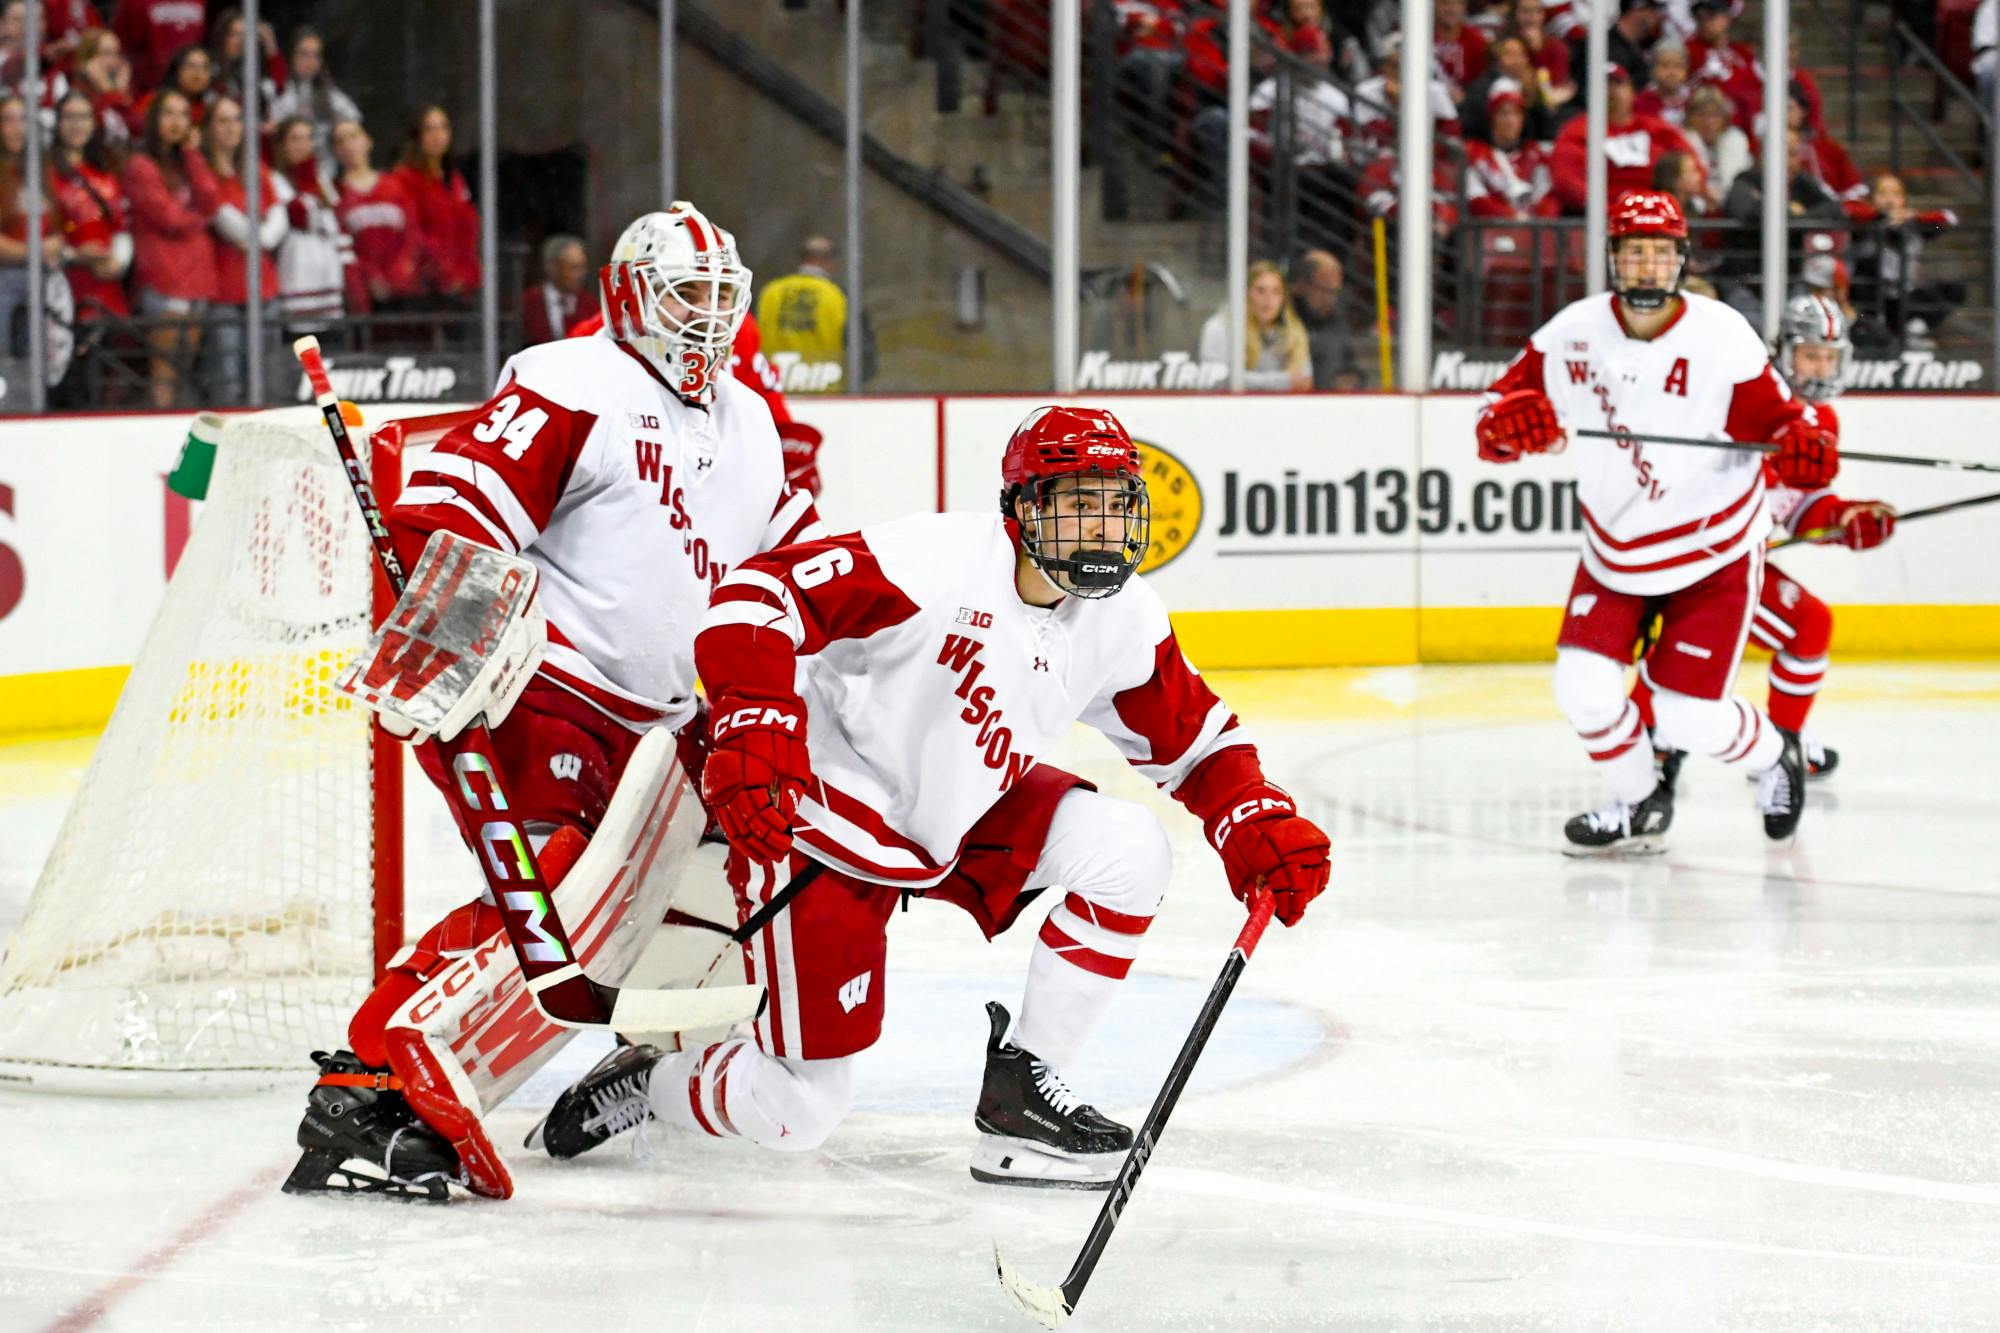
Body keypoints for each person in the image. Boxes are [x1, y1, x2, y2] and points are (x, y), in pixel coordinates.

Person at [533, 405, 1332, 1186]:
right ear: (1021, 511)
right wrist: (755, 716)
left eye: (1116, 504)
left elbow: (1194, 741)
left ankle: (1023, 1097)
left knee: (1132, 852)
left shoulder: (1122, 617)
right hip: (819, 819)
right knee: (798, 1110)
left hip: (955, 810)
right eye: (1077, 504)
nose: (1100, 528)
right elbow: (755, 598)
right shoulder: (931, 561)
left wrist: (1250, 813)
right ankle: (649, 1083)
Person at [283, 202, 829, 1204]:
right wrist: (440, 635)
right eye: (685, 294)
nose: (705, 316)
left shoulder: (751, 419)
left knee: (731, 879)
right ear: (630, 294)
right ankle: (366, 1081)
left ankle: (646, 1060)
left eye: (720, 295)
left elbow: (796, 571)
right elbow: (458, 502)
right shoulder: (571, 379)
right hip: (552, 694)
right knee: (554, 892)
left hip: (669, 725)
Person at [1474, 190, 1821, 854]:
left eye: (1661, 254)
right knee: (1581, 689)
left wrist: (1801, 440)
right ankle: (1640, 803)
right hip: (1613, 555)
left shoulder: (1720, 333)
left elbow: (1779, 420)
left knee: (1688, 716)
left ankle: (1773, 754)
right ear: (1613, 259)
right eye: (1635, 252)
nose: (1647, 267)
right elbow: (1498, 406)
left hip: (1711, 552)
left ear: (1681, 260)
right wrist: (1500, 429)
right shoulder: (1572, 330)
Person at [1630, 293, 1892, 787]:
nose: (1820, 367)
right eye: (1811, 354)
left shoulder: (1822, 422)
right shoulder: (1753, 398)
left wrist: (1848, 520)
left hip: (1739, 558)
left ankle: (1768, 744)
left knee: (1806, 624)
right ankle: (1665, 737)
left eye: (1829, 357)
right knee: (1792, 626)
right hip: (1702, 555)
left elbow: (1800, 508)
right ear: (1784, 351)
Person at [121, 87, 219, 407]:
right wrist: (201, 221)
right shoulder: (140, 164)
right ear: (153, 119)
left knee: (184, 368)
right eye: (168, 113)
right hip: (164, 273)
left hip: (197, 274)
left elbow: (210, 198)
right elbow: (168, 217)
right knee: (164, 370)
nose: (176, 122)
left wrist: (192, 154)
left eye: (182, 115)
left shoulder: (187, 162)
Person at [198, 92, 283, 405]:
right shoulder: (204, 173)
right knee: (228, 382)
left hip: (264, 289)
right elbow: (224, 221)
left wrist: (254, 239)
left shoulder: (255, 169)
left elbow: (277, 220)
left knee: (267, 379)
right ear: (208, 127)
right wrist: (254, 233)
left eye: (236, 119)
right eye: (222, 120)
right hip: (224, 291)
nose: (231, 127)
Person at [1551, 64, 1702, 214]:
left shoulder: (1655, 128)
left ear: (1632, 91)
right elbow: (1566, 179)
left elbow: (1691, 164)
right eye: (1603, 85)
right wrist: (1610, 211)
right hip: (1599, 217)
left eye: (1618, 84)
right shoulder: (1577, 131)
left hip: (1657, 214)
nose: (1611, 91)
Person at [1846, 172, 1963, 351]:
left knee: (1953, 290)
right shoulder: (1865, 222)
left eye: (1896, 194)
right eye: (1883, 194)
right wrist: (1882, 219)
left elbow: (1949, 219)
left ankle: (1912, 331)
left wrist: (1914, 217)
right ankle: (1876, 334)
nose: (1890, 200)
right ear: (1872, 199)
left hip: (1903, 296)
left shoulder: (1914, 225)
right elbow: (1847, 209)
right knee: (1867, 269)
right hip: (1871, 297)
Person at [388, 103, 480, 315]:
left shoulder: (454, 179)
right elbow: (412, 233)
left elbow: (467, 231)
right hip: (424, 289)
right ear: (417, 136)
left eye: (443, 127)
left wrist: (465, 273)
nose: (438, 135)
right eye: (429, 129)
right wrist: (444, 271)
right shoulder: (404, 179)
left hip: (460, 287)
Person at [47, 88, 129, 323]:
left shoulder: (105, 174)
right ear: (57, 123)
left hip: (108, 288)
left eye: (83, 117)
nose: (77, 125)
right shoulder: (46, 176)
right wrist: (76, 255)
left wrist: (118, 262)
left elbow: (121, 229)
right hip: (65, 287)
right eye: (69, 117)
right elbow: (40, 234)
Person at [755, 234, 873, 393]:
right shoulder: (840, 295)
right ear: (830, 263)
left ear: (800, 260)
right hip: (827, 389)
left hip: (774, 387)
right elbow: (864, 355)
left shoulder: (769, 293)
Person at [329, 118, 421, 320]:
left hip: (405, 291)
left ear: (367, 141)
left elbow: (412, 233)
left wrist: (400, 271)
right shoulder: (334, 194)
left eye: (353, 136)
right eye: (340, 141)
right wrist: (370, 277)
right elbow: (343, 248)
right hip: (364, 296)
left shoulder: (396, 186)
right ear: (335, 150)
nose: (348, 145)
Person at [0, 92, 62, 357]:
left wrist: (54, 244)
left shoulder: (42, 171)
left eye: (22, 120)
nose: (16, 128)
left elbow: (60, 228)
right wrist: (36, 251)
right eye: (8, 120)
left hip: (41, 277)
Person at [270, 114, 344, 336]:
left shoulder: (321, 177)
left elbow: (334, 219)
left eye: (307, 138)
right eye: (295, 138)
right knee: (304, 347)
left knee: (328, 351)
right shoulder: (275, 179)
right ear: (282, 145)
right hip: (296, 268)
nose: (303, 145)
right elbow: (297, 216)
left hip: (326, 269)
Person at [1198, 259, 1312, 391]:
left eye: (1276, 292)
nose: (1268, 299)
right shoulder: (1220, 327)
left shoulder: (1294, 333)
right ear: (1245, 293)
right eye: (1260, 291)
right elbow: (1217, 379)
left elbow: (1303, 380)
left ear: (1283, 299)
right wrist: (1283, 381)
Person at [1289, 249, 1359, 390]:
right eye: (1326, 290)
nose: (1331, 299)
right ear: (1302, 284)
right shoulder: (1282, 320)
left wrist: (1353, 380)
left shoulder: (1337, 325)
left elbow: (1351, 366)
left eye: (1336, 292)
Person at [520, 233, 597, 348]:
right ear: (552, 268)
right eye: (574, 268)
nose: (581, 274)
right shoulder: (529, 302)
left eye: (583, 267)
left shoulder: (591, 305)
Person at [112, 0, 207, 91]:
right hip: (147, 90)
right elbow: (121, 45)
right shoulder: (133, 2)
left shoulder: (201, 2)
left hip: (194, 89)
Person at [129, 43, 215, 137]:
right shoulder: (154, 100)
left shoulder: (209, 108)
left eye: (205, 67)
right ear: (177, 70)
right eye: (191, 66)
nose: (198, 74)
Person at [1634, 39, 1693, 126]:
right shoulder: (1641, 103)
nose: (1672, 73)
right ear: (1653, 70)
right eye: (1665, 65)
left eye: (1678, 66)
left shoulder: (1693, 100)